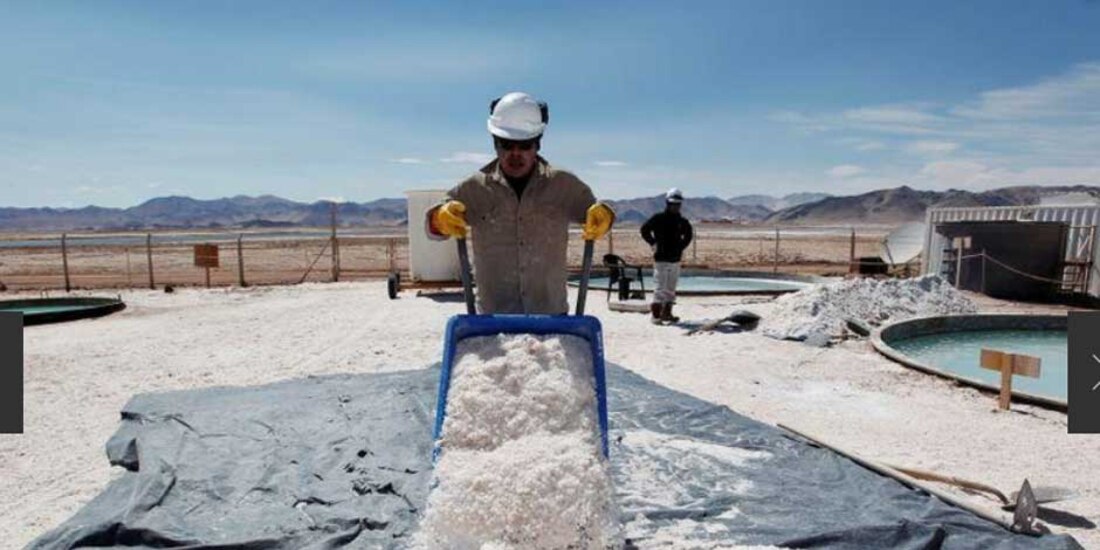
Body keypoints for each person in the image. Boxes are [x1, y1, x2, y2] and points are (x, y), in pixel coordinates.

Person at [425, 92, 615, 314]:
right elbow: (432, 230)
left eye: (524, 145)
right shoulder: (474, 188)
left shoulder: (565, 185)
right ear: (495, 144)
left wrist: (605, 217)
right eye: (507, 145)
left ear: (537, 145)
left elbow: (598, 215)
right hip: (493, 321)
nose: (516, 154)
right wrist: (439, 219)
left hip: (551, 318)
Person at [640, 188, 693, 324]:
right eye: (673, 204)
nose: (675, 206)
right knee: (660, 287)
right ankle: (656, 315)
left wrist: (681, 247)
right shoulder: (658, 218)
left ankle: (667, 313)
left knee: (671, 288)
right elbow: (644, 229)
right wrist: (652, 242)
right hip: (661, 259)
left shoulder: (682, 221)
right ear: (667, 203)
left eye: (678, 204)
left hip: (675, 259)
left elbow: (688, 235)